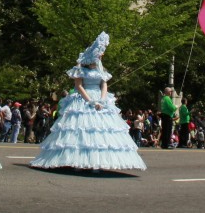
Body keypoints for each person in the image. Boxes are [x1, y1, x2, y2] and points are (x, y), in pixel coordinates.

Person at [30, 32, 146, 171]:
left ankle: (97, 162)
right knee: (79, 130)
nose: (100, 57)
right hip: (83, 99)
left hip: (100, 98)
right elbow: (79, 86)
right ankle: (76, 161)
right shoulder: (80, 70)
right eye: (98, 54)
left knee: (100, 131)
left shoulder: (101, 70)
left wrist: (102, 100)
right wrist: (90, 101)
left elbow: (104, 84)